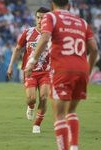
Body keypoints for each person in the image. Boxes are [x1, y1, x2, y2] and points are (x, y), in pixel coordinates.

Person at [24, 0, 98, 150]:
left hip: (63, 69)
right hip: (82, 69)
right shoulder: (82, 22)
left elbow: (44, 38)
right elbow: (95, 49)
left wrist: (32, 61)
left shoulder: (51, 17)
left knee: (59, 115)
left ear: (52, 6)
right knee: (71, 111)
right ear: (70, 6)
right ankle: (74, 147)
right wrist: (88, 72)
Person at [7, 7, 50, 133]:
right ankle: (31, 107)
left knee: (43, 97)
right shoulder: (28, 32)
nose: (40, 20)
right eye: (38, 17)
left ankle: (37, 125)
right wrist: (11, 65)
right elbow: (17, 49)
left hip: (46, 71)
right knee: (32, 99)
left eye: (43, 18)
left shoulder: (52, 35)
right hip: (30, 71)